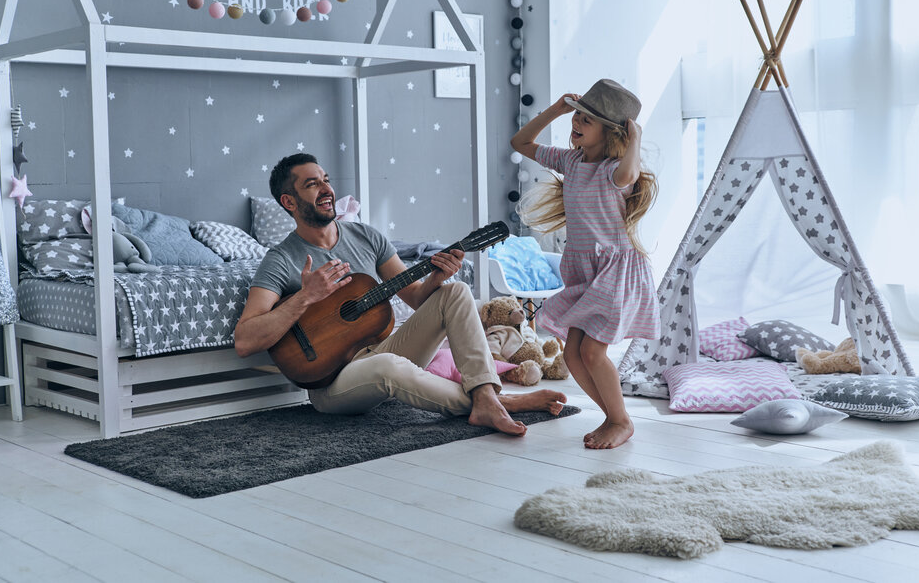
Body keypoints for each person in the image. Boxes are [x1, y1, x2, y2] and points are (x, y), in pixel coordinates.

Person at [233, 153, 567, 436]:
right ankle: (498, 401)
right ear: (289, 202)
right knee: (388, 365)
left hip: (381, 349)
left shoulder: (366, 236)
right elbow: (245, 341)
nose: (326, 189)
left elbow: (418, 299)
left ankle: (485, 397)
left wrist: (435, 279)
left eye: (326, 180)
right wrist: (305, 297)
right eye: (312, 184)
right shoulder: (280, 259)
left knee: (456, 291)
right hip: (332, 385)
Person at [511, 78, 660, 449]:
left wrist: (636, 138)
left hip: (615, 271)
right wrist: (556, 109)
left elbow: (628, 175)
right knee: (573, 355)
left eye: (586, 120)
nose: (576, 122)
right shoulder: (570, 160)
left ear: (611, 132)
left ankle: (621, 420)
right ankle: (614, 417)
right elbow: (521, 143)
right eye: (576, 116)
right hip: (584, 273)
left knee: (593, 352)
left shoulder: (614, 169)